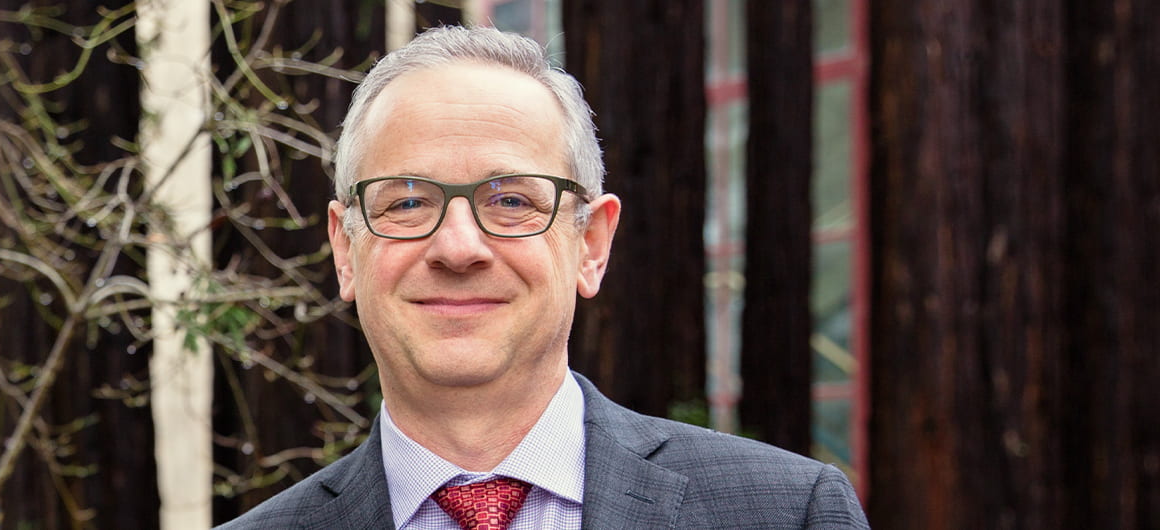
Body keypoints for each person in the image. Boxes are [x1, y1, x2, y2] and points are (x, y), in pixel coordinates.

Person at [219, 26, 869, 529]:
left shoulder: (785, 514)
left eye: (510, 202)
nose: (458, 247)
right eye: (407, 201)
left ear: (590, 243)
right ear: (344, 248)